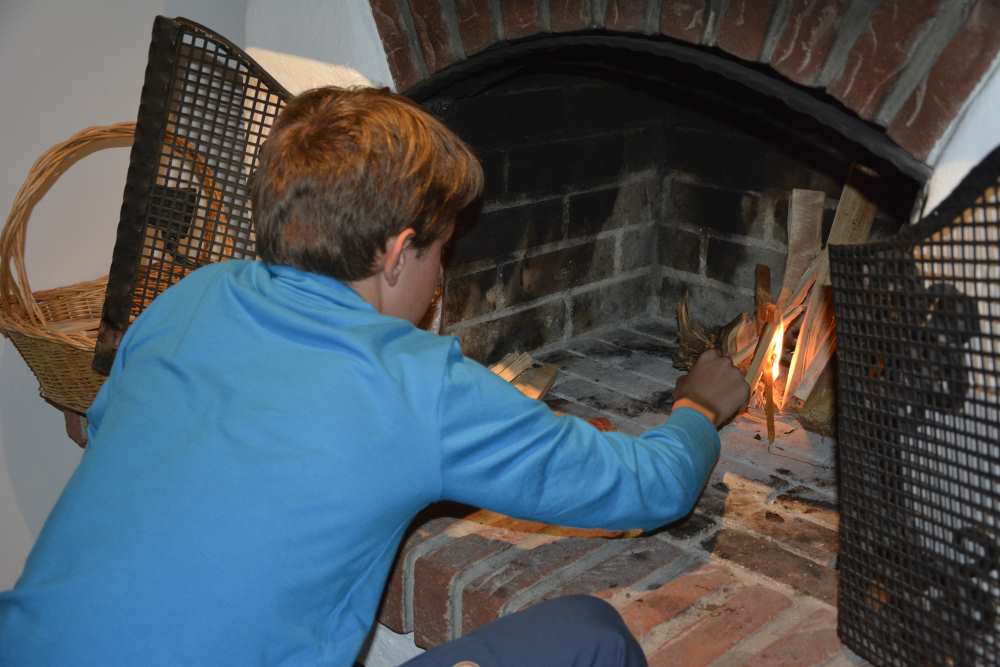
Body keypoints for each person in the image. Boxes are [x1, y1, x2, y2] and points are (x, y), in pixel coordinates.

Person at [0, 86, 749, 667]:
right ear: (396, 254)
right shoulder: (416, 386)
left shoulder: (191, 296)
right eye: (440, 252)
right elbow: (646, 485)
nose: (441, 272)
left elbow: (111, 431)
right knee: (589, 636)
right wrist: (695, 408)